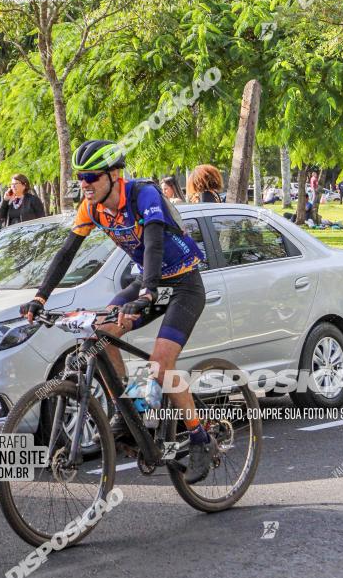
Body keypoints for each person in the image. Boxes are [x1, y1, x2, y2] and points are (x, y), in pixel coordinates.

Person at [21, 139, 217, 485]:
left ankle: (200, 437)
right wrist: (40, 297)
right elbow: (67, 252)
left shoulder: (143, 195)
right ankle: (128, 413)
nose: (85, 184)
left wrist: (147, 293)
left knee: (161, 364)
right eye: (81, 177)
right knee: (102, 332)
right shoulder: (91, 207)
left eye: (92, 177)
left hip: (183, 283)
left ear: (114, 175)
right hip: (148, 282)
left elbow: (154, 244)